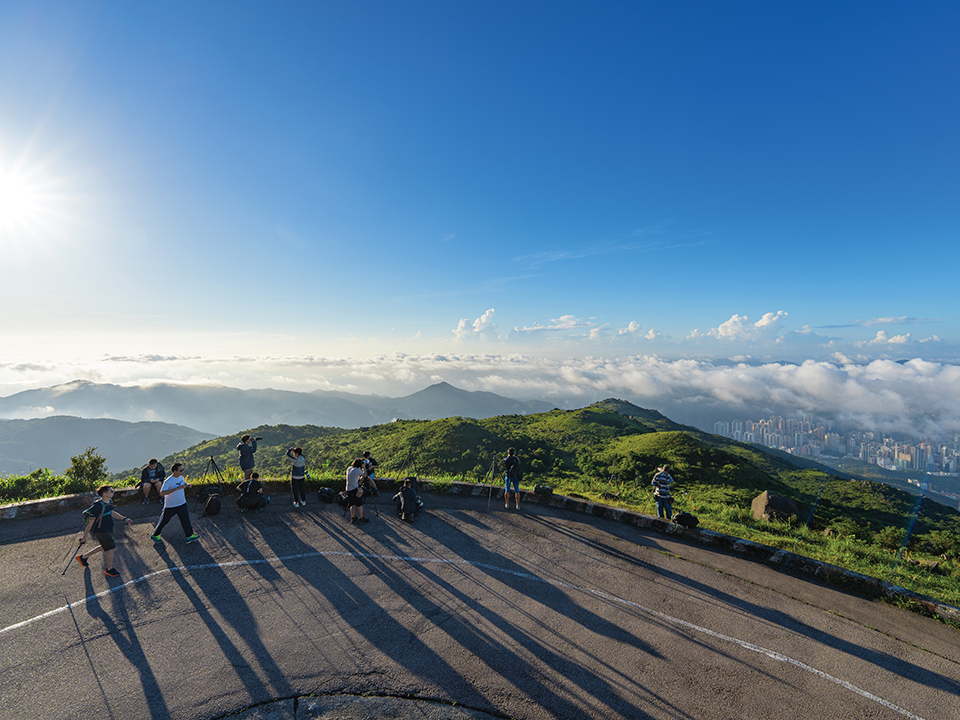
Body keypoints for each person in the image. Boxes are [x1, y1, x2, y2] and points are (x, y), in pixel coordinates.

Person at [76, 485, 133, 578]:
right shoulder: (97, 506)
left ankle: (83, 557)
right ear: (105, 493)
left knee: (105, 546)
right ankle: (109, 570)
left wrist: (124, 518)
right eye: (111, 491)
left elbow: (112, 512)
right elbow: (90, 523)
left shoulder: (109, 502)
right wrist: (84, 537)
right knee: (111, 548)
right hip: (101, 530)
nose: (113, 492)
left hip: (109, 528)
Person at [151, 462, 200, 544]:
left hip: (182, 503)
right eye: (181, 470)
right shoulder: (168, 481)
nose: (182, 471)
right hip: (171, 506)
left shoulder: (180, 477)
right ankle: (155, 535)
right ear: (175, 471)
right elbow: (162, 493)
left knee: (186, 520)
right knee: (164, 521)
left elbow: (183, 485)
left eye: (182, 470)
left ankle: (189, 536)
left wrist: (187, 485)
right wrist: (176, 488)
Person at [345, 458, 372, 524]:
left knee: (352, 504)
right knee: (359, 504)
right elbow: (365, 475)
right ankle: (361, 518)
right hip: (354, 489)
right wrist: (364, 467)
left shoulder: (349, 468)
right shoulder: (357, 470)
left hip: (348, 489)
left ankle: (353, 517)